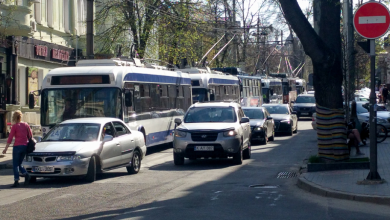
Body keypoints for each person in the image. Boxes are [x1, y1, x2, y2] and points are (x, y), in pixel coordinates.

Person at [2, 111, 32, 187]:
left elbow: (10, 138)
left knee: (15, 165)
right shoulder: (26, 125)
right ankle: (26, 174)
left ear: (14, 117)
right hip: (25, 146)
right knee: (20, 163)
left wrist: (6, 149)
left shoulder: (14, 126)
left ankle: (16, 180)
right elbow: (30, 135)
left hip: (17, 147)